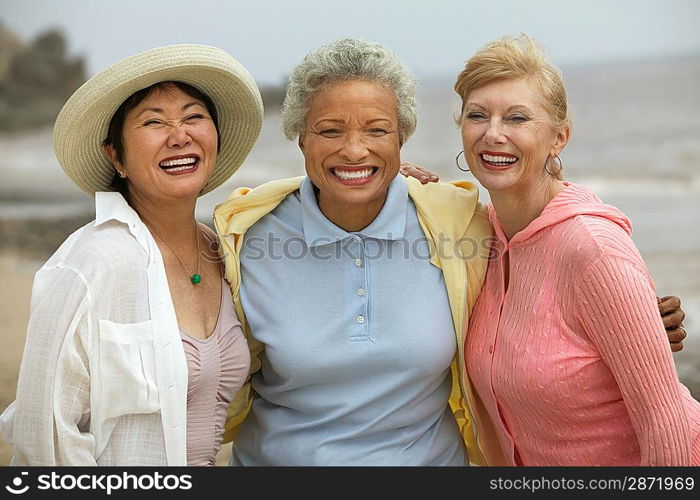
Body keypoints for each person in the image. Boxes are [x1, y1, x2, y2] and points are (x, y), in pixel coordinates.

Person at [213, 37, 687, 465]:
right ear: (300, 136)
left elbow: (561, 255)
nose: (354, 150)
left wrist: (631, 319)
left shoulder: (456, 223)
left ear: (402, 138)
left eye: (377, 131)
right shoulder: (245, 236)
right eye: (330, 131)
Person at [406, 34, 699, 466]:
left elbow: (665, 422)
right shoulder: (482, 237)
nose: (493, 134)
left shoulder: (592, 249)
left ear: (559, 138)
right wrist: (400, 186)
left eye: (518, 118)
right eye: (477, 115)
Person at [0, 44, 263, 465]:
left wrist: (392, 187)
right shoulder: (93, 262)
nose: (180, 136)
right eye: (153, 122)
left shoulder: (224, 252)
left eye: (194, 117)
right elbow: (44, 437)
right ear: (115, 155)